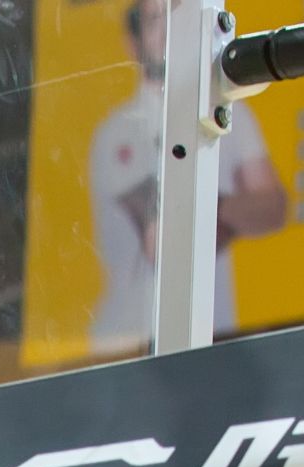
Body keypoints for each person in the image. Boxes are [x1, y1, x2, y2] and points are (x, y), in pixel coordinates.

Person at [89, 0, 288, 349]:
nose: (168, 32)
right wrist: (233, 210)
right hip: (131, 343)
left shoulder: (229, 111)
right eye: (155, 22)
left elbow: (273, 208)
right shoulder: (117, 133)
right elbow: (164, 238)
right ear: (134, 43)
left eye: (175, 18)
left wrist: (210, 209)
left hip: (214, 333)